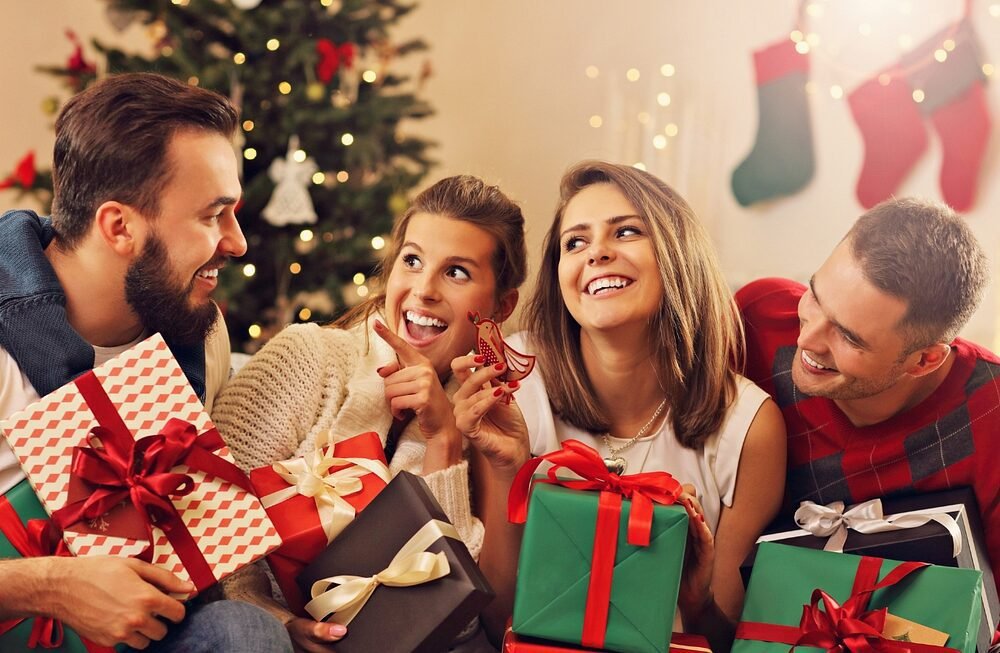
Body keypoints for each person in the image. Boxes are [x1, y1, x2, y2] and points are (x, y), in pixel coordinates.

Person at [0, 72, 292, 652]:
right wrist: (50, 586)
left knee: (245, 632)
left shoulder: (198, 331)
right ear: (120, 227)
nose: (237, 243)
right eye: (212, 215)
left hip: (150, 632)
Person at [453, 160, 786, 653]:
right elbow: (494, 618)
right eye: (575, 242)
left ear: (677, 254)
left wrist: (695, 599)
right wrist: (507, 472)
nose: (597, 252)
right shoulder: (514, 384)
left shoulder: (748, 426)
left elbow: (729, 644)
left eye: (626, 231)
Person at [211, 174, 529, 652]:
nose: (424, 290)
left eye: (457, 272)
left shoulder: (481, 427)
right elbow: (206, 513)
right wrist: (277, 621)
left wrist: (442, 442)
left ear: (501, 307)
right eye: (412, 261)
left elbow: (459, 624)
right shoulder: (309, 357)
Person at [735, 197, 999, 586]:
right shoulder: (756, 319)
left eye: (848, 337)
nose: (807, 339)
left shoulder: (992, 416)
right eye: (815, 297)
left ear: (923, 360)